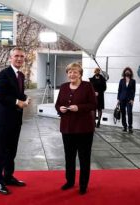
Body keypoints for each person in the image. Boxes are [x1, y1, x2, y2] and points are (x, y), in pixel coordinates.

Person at [0, 47, 30, 195]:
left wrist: (25, 98)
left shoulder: (20, 75)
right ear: (10, 58)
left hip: (16, 118)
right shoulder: (4, 74)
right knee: (1, 150)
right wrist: (16, 102)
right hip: (3, 119)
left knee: (12, 150)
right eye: (16, 56)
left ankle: (8, 177)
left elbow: (17, 93)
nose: (19, 59)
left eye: (22, 56)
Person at [55, 62, 96, 195]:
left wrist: (79, 108)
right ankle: (70, 181)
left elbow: (93, 104)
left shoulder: (87, 86)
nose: (72, 74)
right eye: (70, 72)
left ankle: (83, 185)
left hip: (84, 129)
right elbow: (58, 104)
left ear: (80, 74)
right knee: (69, 157)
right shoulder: (64, 87)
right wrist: (60, 109)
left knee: (84, 157)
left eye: (75, 72)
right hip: (67, 128)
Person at [117, 67, 136, 133]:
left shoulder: (133, 81)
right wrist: (118, 99)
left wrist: (132, 99)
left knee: (129, 112)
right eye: (126, 71)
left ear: (130, 73)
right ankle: (124, 126)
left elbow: (133, 91)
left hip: (129, 100)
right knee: (123, 113)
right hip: (122, 99)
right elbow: (119, 90)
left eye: (128, 71)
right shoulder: (121, 80)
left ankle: (130, 127)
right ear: (124, 73)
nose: (127, 72)